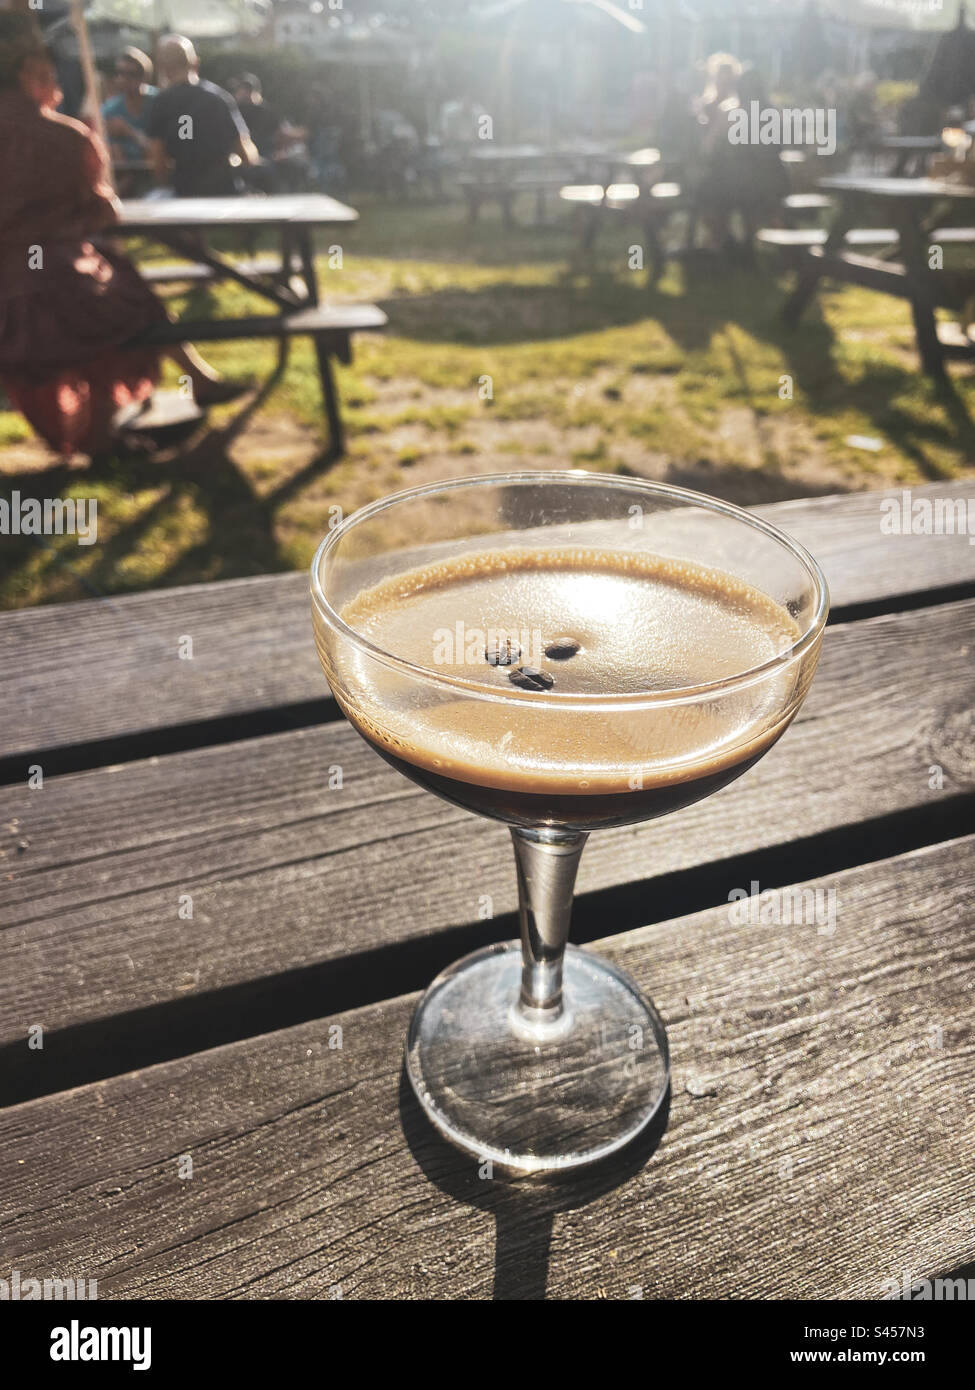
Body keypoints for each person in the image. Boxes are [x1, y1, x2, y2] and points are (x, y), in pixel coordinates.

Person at [0, 15, 245, 459]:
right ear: (28, 73)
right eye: (50, 73)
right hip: (60, 287)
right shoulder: (67, 138)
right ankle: (116, 425)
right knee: (125, 295)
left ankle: (114, 428)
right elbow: (102, 212)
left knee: (109, 293)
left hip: (11, 299)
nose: (55, 82)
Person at [146, 35, 257, 196]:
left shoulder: (161, 103)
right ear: (195, 62)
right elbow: (247, 154)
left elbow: (158, 160)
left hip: (185, 190)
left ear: (163, 67)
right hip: (224, 191)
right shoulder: (220, 98)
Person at [101, 46, 156, 164]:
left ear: (144, 77)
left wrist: (129, 132)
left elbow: (160, 149)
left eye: (131, 74)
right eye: (120, 73)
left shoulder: (158, 103)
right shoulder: (110, 110)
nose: (124, 79)